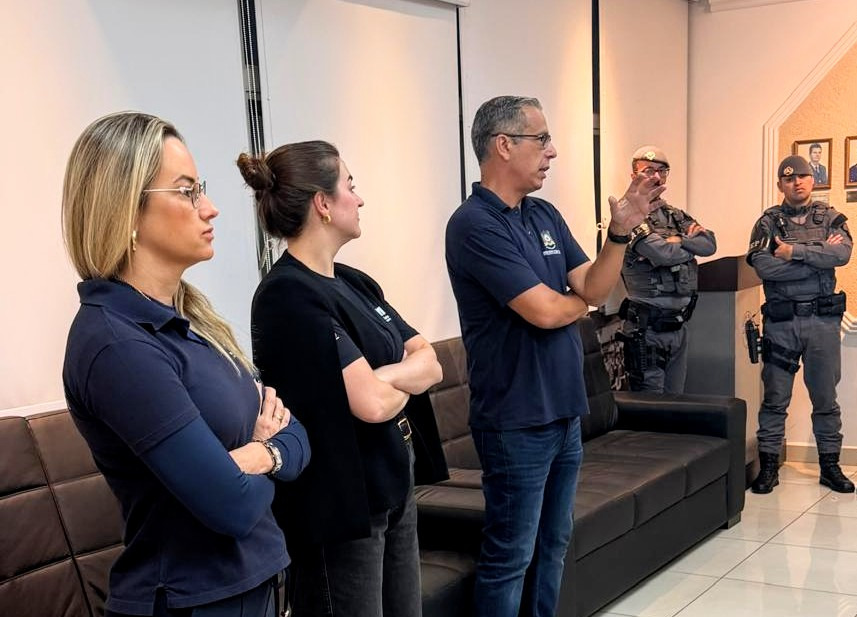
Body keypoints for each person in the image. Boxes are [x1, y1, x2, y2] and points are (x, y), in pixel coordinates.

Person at [61, 112, 310, 617]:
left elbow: (297, 436)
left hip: (254, 586)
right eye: (187, 192)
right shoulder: (116, 345)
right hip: (194, 601)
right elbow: (230, 505)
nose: (210, 208)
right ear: (126, 209)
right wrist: (266, 450)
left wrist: (256, 455)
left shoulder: (191, 319)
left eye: (202, 190)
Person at [444, 95, 665, 617]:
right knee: (511, 556)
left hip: (563, 411)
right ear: (503, 145)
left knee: (553, 547)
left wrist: (619, 233)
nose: (553, 151)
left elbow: (595, 286)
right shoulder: (474, 224)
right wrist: (575, 302)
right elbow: (544, 312)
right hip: (515, 419)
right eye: (541, 139)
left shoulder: (543, 214)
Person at [238, 141, 448, 617]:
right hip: (343, 504)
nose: (360, 198)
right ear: (323, 203)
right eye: (350, 186)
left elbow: (430, 361)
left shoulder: (353, 282)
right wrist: (395, 380)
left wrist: (382, 376)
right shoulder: (287, 295)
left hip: (393, 477)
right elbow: (371, 404)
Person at [747, 154, 853, 494]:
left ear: (812, 180)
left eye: (803, 176)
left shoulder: (831, 217)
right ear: (781, 184)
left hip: (822, 323)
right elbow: (764, 267)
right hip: (782, 323)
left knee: (825, 398)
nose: (797, 182)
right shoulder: (767, 223)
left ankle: (829, 467)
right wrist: (817, 256)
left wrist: (793, 252)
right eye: (789, 178)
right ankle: (768, 468)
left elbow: (842, 255)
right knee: (775, 398)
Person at [619, 146, 716, 393]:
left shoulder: (674, 215)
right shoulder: (628, 215)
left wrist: (678, 240)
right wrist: (688, 245)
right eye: (648, 170)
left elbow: (709, 244)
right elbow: (662, 254)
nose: (656, 176)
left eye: (662, 171)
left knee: (676, 400)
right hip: (647, 329)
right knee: (651, 404)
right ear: (634, 176)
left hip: (678, 326)